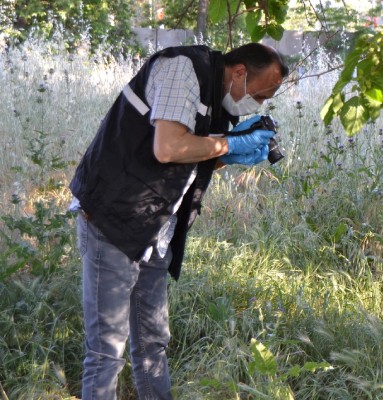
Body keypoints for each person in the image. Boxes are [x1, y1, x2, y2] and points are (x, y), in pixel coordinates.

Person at [68, 43, 289, 399]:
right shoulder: (181, 69)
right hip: (113, 218)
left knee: (153, 342)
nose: (258, 105)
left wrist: (229, 153)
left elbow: (190, 155)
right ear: (239, 72)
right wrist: (230, 146)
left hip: (155, 228)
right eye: (260, 95)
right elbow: (168, 147)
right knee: (107, 351)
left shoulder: (217, 99)